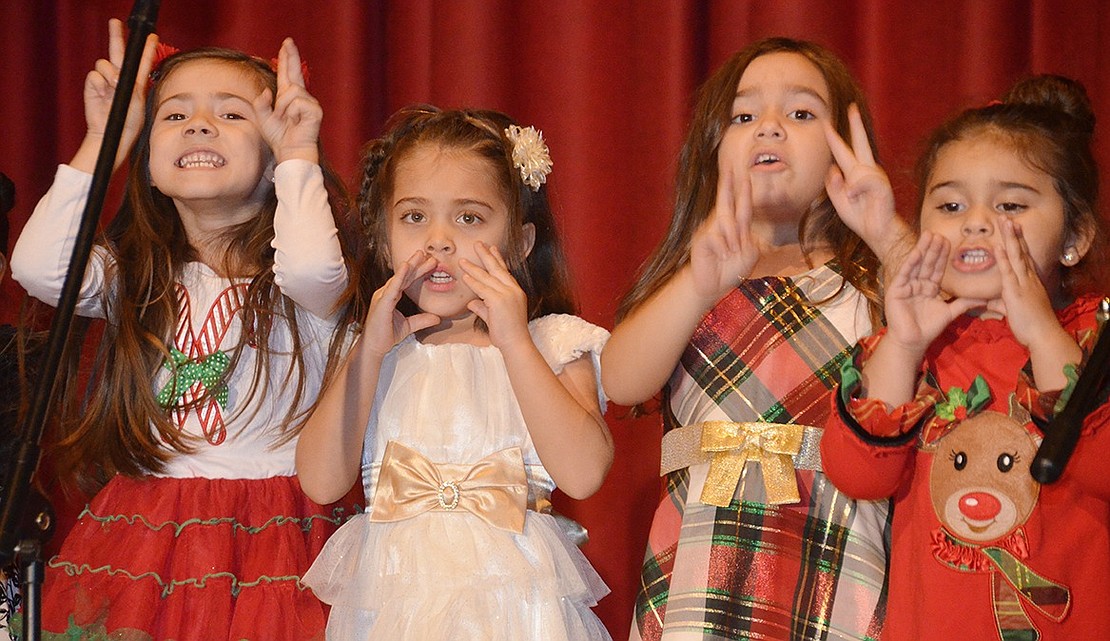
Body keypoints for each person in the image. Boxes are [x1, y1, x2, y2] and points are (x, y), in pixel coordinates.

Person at [10, 20, 356, 640]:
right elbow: (38, 267)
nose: (199, 125)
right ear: (145, 159)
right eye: (172, 116)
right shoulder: (137, 276)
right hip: (146, 533)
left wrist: (299, 154)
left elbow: (310, 266)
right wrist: (103, 138)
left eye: (232, 114)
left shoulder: (307, 280)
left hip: (278, 537)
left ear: (274, 151)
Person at [602, 37, 906, 641]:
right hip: (699, 574)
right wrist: (699, 280)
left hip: (834, 566)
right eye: (744, 116)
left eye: (800, 113)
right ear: (713, 151)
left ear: (847, 151)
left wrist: (887, 232)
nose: (769, 128)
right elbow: (619, 379)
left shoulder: (870, 284)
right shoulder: (695, 281)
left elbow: (943, 323)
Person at [296, 106, 614, 640]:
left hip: (519, 612)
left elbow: (584, 472)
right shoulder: (371, 352)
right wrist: (367, 356)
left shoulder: (553, 343)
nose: (438, 240)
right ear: (382, 238)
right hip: (395, 608)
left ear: (520, 243)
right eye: (415, 217)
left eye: (469, 218)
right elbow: (322, 481)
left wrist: (514, 341)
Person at [820, 75, 1109, 640]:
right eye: (950, 203)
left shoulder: (1095, 334)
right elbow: (856, 473)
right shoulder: (918, 343)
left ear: (1075, 236)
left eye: (1010, 204)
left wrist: (1042, 334)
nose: (976, 220)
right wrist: (903, 344)